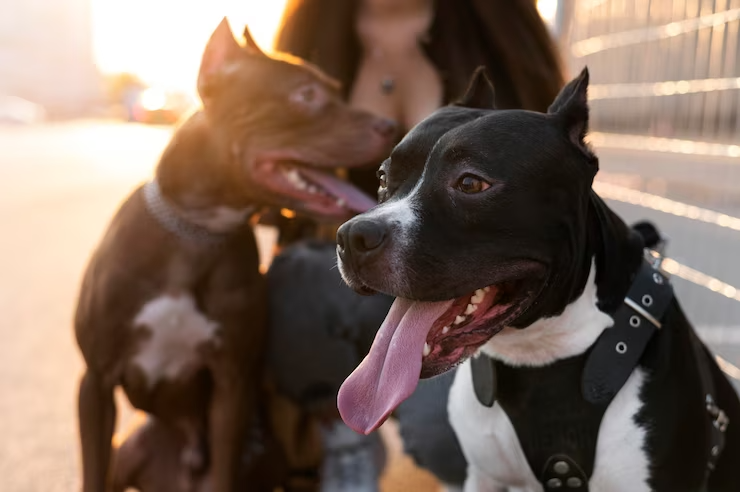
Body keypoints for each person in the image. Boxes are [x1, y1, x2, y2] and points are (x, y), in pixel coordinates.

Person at [265, 1, 565, 490]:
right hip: (351, 269)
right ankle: (342, 445)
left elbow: (549, 173)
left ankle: (484, 464)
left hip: (464, 279)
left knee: (443, 433)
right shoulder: (311, 29)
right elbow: (264, 157)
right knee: (292, 281)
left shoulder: (500, 25)